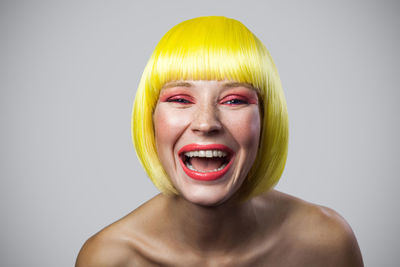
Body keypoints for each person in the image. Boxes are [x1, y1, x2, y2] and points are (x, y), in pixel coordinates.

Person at [76, 16, 363, 266]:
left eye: (234, 100)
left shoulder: (327, 244)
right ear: (150, 120)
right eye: (179, 99)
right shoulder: (107, 258)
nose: (206, 123)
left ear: (266, 121)